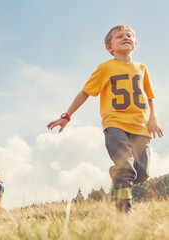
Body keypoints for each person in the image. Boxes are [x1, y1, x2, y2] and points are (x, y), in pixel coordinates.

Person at [47, 25, 164, 212]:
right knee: (125, 169)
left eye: (129, 35)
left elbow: (150, 96)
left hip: (142, 127)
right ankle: (123, 214)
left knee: (142, 173)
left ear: (135, 42)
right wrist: (66, 116)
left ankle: (117, 174)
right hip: (115, 124)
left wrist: (154, 118)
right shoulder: (105, 68)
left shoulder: (142, 68)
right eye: (119, 37)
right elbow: (85, 92)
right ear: (110, 47)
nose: (125, 38)